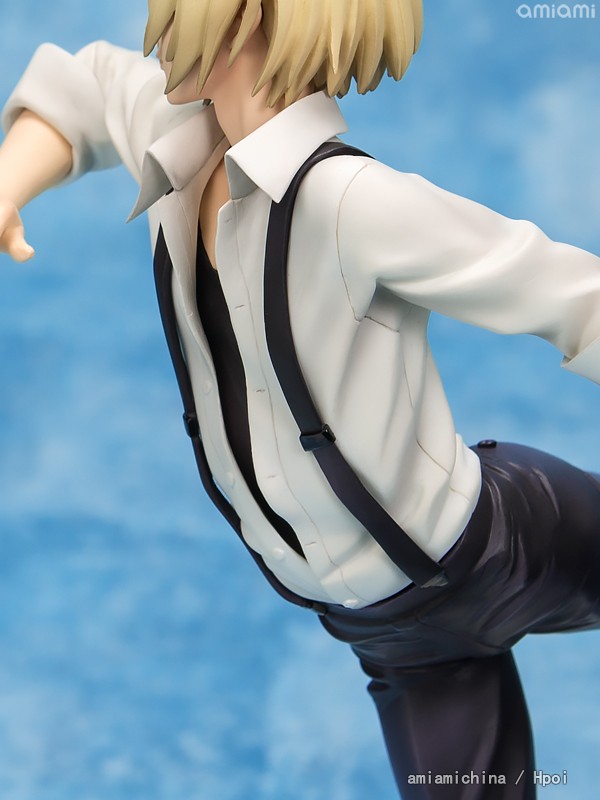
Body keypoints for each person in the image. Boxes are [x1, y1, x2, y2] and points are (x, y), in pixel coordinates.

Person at [0, 1, 599, 796]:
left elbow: (569, 294)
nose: (158, 32)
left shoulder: (352, 202)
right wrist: (8, 184)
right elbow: (86, 88)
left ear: (250, 22)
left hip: (501, 543)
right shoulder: (175, 135)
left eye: (179, 14)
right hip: (394, 629)